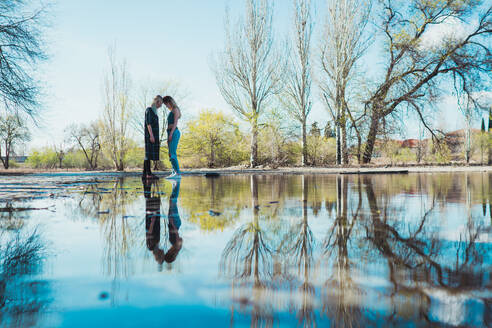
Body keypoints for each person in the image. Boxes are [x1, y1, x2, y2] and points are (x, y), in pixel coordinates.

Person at [143, 95, 163, 179]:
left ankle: (145, 173)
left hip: (154, 135)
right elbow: (148, 123)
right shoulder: (149, 110)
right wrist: (151, 135)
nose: (161, 106)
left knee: (150, 154)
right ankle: (148, 174)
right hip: (150, 135)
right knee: (148, 154)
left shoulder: (154, 112)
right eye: (160, 103)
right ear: (157, 102)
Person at [162, 96, 181, 179]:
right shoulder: (171, 111)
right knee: (170, 154)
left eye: (166, 104)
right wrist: (168, 135)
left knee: (173, 154)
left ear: (169, 102)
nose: (166, 106)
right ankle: (174, 172)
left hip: (174, 132)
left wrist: (171, 134)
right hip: (169, 132)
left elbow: (175, 123)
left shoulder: (175, 109)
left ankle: (177, 173)